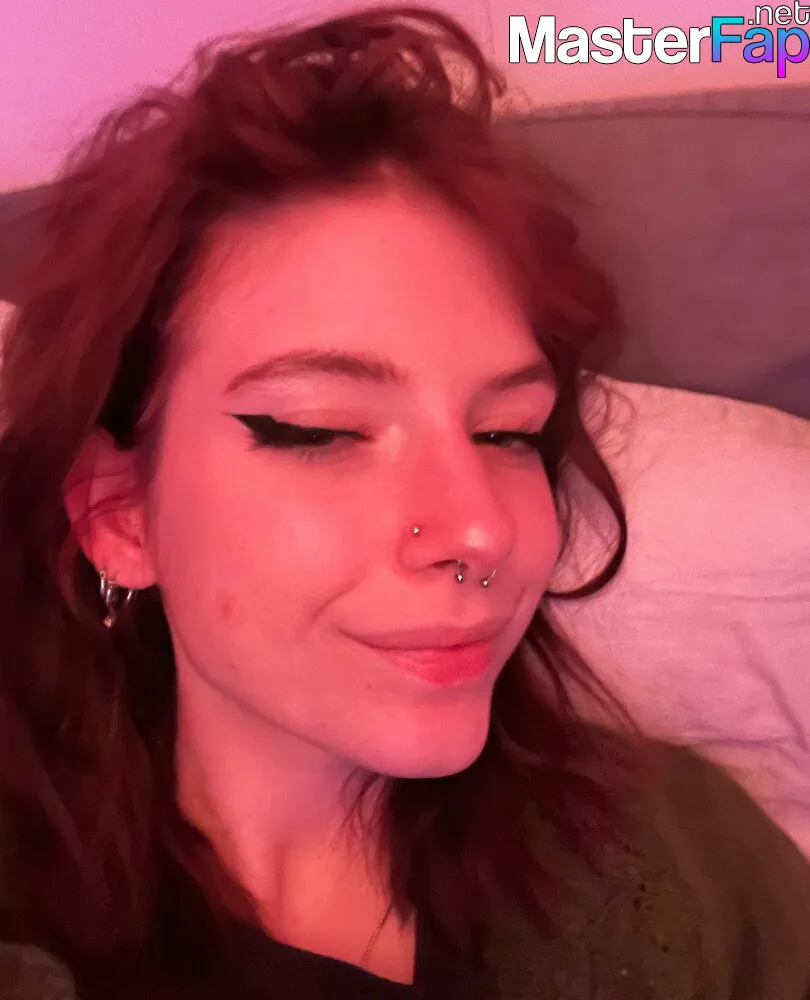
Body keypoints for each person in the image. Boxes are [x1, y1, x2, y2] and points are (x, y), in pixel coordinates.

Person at [0, 6, 808, 999]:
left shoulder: (696, 867)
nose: (480, 530)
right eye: (324, 431)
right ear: (118, 514)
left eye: (507, 434)